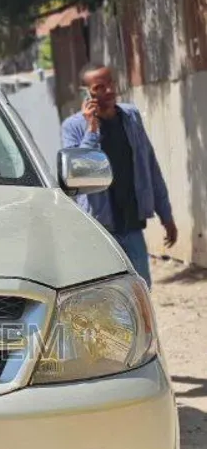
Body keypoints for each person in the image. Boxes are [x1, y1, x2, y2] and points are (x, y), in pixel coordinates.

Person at [61, 65, 177, 286]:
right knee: (108, 296)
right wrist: (92, 131)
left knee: (141, 292)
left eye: (111, 83)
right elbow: (77, 175)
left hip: (132, 224)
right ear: (87, 93)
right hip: (100, 231)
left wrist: (166, 215)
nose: (109, 91)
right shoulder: (73, 127)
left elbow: (150, 166)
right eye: (99, 87)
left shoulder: (130, 116)